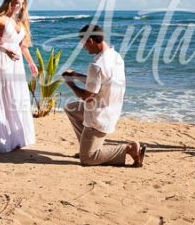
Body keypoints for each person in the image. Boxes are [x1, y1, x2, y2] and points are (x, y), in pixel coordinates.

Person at [62, 24, 145, 167]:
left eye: (84, 43)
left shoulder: (97, 65)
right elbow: (100, 81)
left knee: (87, 159)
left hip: (99, 117)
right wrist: (75, 75)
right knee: (72, 108)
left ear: (91, 41)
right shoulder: (116, 56)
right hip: (112, 110)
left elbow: (87, 97)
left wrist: (71, 84)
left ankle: (129, 149)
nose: (84, 47)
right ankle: (86, 146)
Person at [0, 0, 38, 153]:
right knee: (5, 97)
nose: (18, 7)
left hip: (17, 62)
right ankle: (4, 139)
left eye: (21, 4)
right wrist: (6, 50)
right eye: (16, 3)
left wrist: (31, 63)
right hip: (3, 59)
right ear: (9, 1)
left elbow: (22, 46)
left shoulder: (20, 21)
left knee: (17, 97)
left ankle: (17, 138)